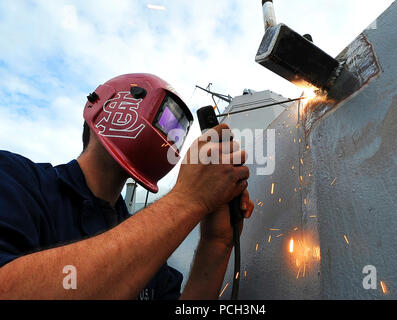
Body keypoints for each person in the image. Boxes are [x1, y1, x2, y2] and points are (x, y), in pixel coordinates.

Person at [0, 73, 253, 299]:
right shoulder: (15, 180)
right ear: (106, 104)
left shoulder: (149, 248)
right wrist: (186, 200)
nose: (168, 134)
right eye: (164, 120)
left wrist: (216, 243)